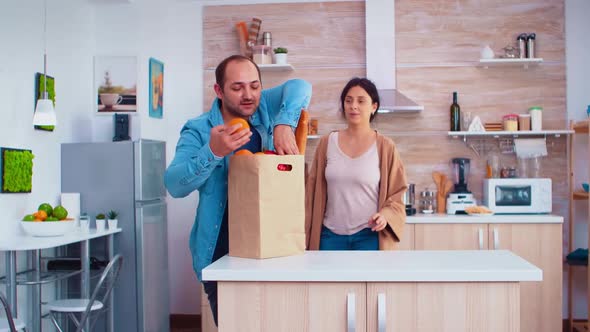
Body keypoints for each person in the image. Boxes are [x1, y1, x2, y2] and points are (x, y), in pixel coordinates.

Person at [164, 54, 311, 325]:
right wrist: (213, 151)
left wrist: (283, 123)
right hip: (222, 256)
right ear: (219, 91)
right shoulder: (198, 130)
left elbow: (301, 86)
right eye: (237, 87)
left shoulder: (265, 106)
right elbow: (174, 185)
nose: (248, 95)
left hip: (273, 249)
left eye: (254, 86)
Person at [305, 77, 407, 251]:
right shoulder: (326, 143)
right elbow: (311, 192)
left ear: (374, 107)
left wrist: (385, 215)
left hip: (369, 236)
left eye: (361, 101)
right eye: (348, 100)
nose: (353, 106)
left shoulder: (385, 146)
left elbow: (397, 194)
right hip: (329, 237)